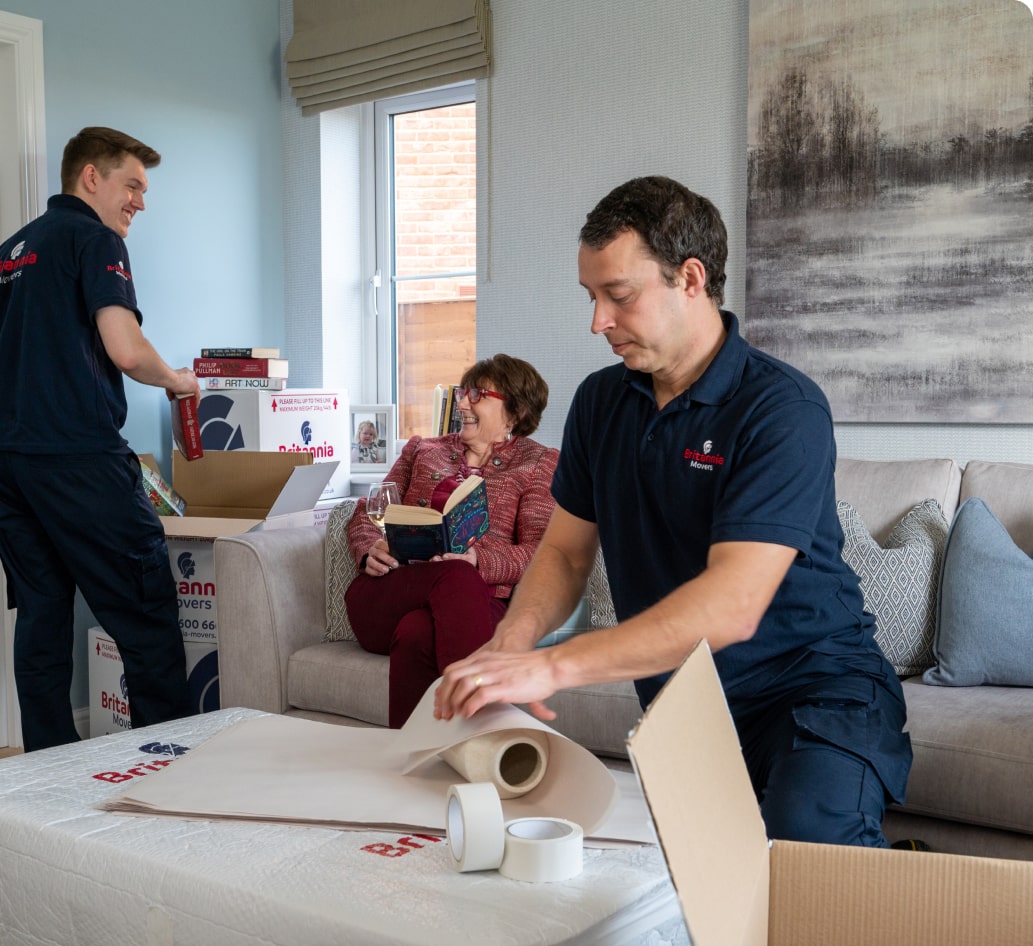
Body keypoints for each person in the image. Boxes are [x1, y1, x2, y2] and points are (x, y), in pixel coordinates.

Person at [435, 176, 913, 849]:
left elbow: (730, 605)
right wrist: (511, 644)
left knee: (805, 846)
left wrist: (553, 665)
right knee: (686, 897)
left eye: (618, 296)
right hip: (686, 702)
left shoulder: (781, 410)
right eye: (591, 297)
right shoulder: (601, 403)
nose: (596, 321)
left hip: (813, 689)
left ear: (689, 278)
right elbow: (567, 553)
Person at [0, 126, 201, 752]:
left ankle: (45, 778)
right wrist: (176, 380)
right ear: (91, 177)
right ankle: (171, 768)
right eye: (132, 185)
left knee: (43, 614)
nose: (141, 202)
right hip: (74, 458)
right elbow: (125, 349)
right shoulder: (94, 239)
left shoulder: (7, 254)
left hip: (4, 461)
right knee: (145, 609)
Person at [345, 355, 559, 728]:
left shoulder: (539, 464)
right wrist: (368, 550)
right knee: (454, 579)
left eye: (477, 394)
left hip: (478, 602)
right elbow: (369, 510)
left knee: (417, 634)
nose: (462, 403)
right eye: (463, 393)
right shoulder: (421, 450)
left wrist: (479, 560)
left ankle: (410, 753)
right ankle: (481, 732)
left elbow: (538, 552)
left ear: (515, 410)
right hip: (389, 592)